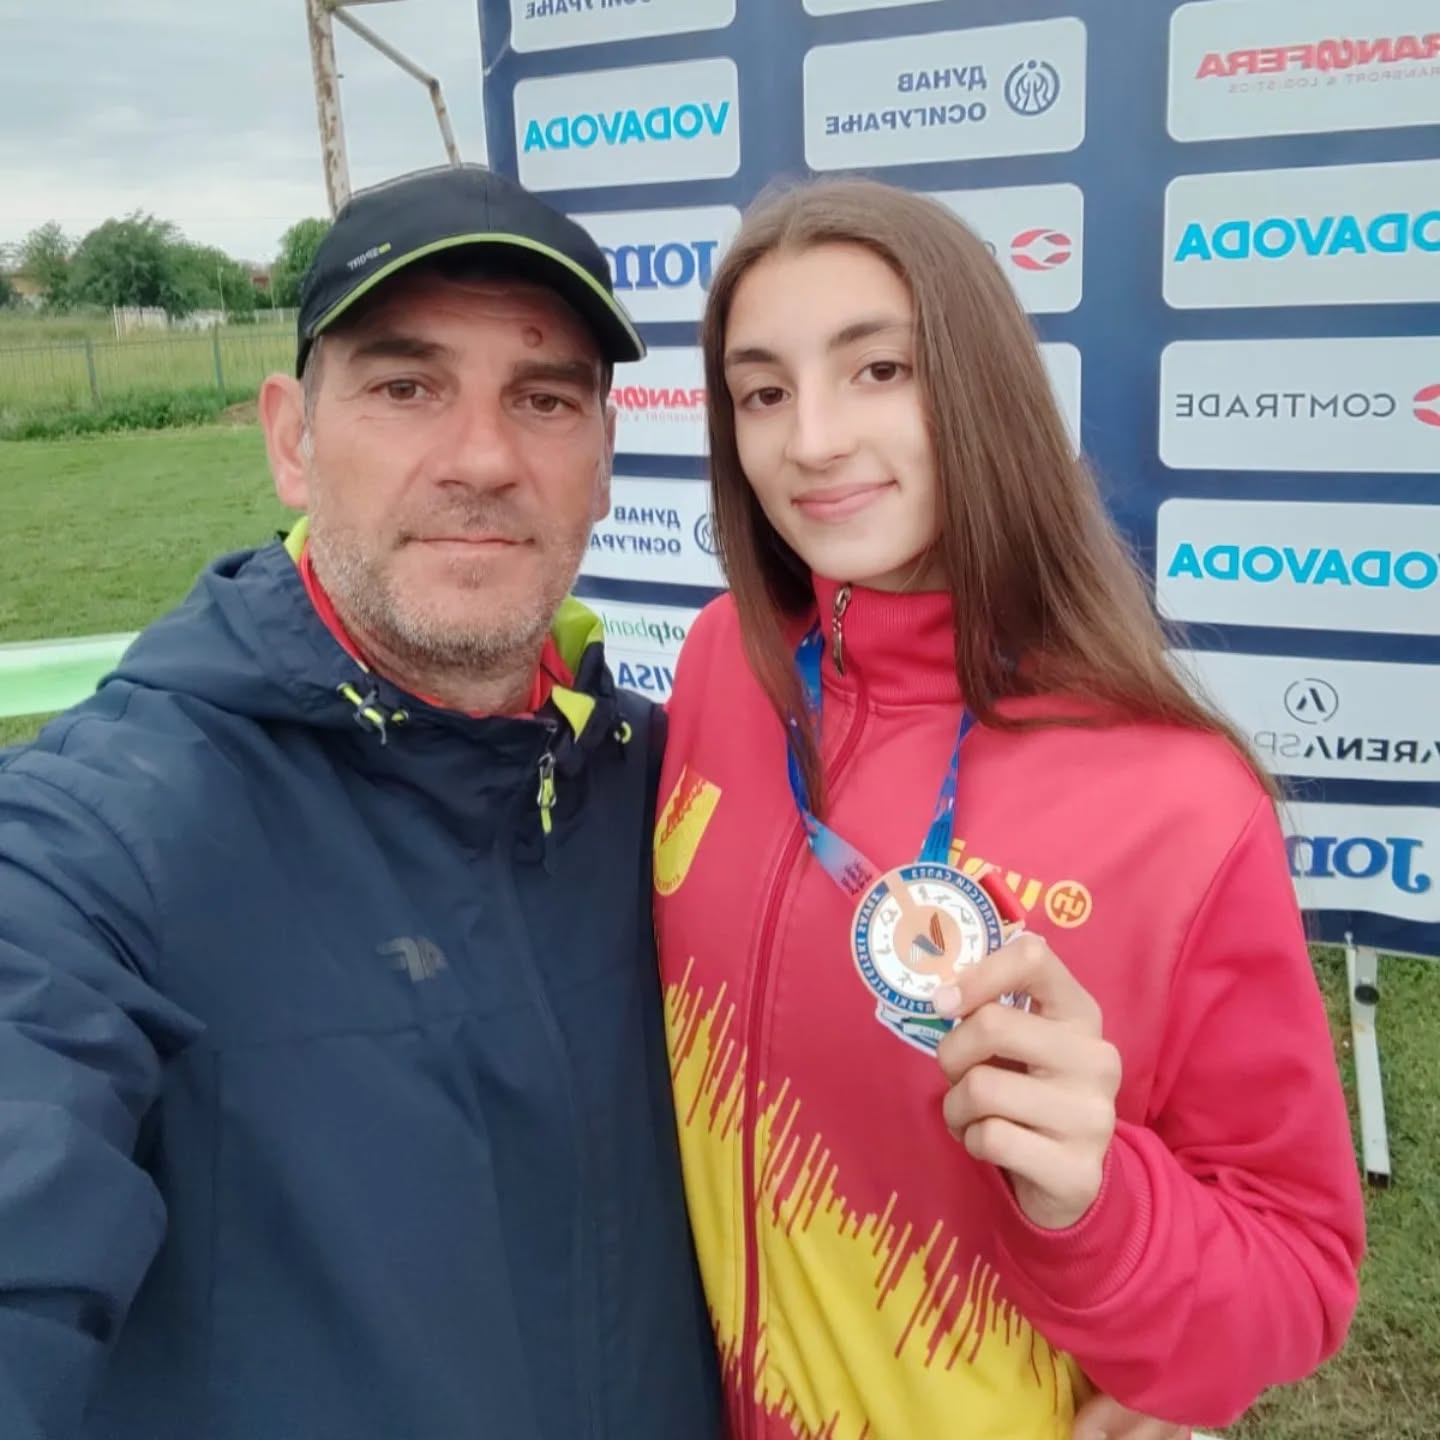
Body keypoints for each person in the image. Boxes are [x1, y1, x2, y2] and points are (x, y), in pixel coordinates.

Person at [0, 164, 721, 1440]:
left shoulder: (663, 795)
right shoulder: (116, 832)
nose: (484, 458)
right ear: (291, 440)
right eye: (405, 388)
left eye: (544, 399)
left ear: (604, 460)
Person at [653, 177, 1367, 1440]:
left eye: (879, 370)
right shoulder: (724, 661)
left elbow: (1296, 1277)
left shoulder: (1182, 802)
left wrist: (1104, 1214)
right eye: (762, 391)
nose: (810, 438)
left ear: (980, 388)